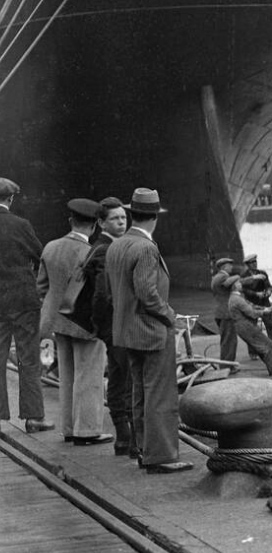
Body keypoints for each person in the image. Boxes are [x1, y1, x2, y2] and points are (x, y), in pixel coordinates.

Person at [104, 187, 192, 474]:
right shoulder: (146, 248)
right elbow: (147, 292)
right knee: (160, 395)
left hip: (127, 332)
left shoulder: (117, 245)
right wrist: (170, 317)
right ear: (155, 217)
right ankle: (162, 456)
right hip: (152, 332)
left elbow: (113, 291)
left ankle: (143, 449)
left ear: (132, 213)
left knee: (139, 392)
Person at [37, 198, 111, 445]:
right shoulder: (93, 252)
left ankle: (68, 428)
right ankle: (87, 431)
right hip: (84, 324)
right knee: (89, 377)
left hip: (55, 322)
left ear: (70, 221)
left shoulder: (50, 247)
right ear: (95, 226)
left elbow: (42, 287)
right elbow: (100, 294)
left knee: (66, 376)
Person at [0, 178, 53, 433]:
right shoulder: (21, 225)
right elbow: (40, 255)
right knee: (28, 359)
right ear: (10, 199)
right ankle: (33, 418)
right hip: (22, 300)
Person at [86, 197, 135, 456]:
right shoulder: (106, 249)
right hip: (116, 326)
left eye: (123, 218)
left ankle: (123, 437)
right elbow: (103, 294)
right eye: (115, 218)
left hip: (110, 328)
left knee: (117, 378)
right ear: (101, 222)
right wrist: (104, 323)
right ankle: (131, 440)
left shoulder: (100, 246)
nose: (121, 222)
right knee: (127, 380)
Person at [227, 276, 272, 376]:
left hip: (242, 327)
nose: (241, 284)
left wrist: (267, 308)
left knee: (262, 348)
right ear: (235, 286)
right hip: (247, 327)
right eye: (238, 283)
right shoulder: (237, 299)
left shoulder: (235, 298)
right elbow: (252, 312)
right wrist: (265, 311)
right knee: (269, 345)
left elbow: (250, 305)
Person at [241, 254, 272, 353]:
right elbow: (243, 290)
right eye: (252, 263)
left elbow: (269, 286)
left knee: (271, 326)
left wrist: (268, 292)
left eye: (255, 262)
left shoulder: (262, 273)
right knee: (252, 328)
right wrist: (256, 294)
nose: (254, 264)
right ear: (248, 265)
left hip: (264, 302)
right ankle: (253, 351)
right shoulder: (244, 276)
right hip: (251, 303)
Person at [210, 256, 238, 364]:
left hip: (219, 312)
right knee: (229, 341)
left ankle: (227, 364)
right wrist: (238, 276)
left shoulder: (215, 277)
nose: (232, 267)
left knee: (226, 340)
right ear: (225, 267)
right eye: (230, 265)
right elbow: (227, 283)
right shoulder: (222, 277)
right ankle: (227, 365)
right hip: (226, 313)